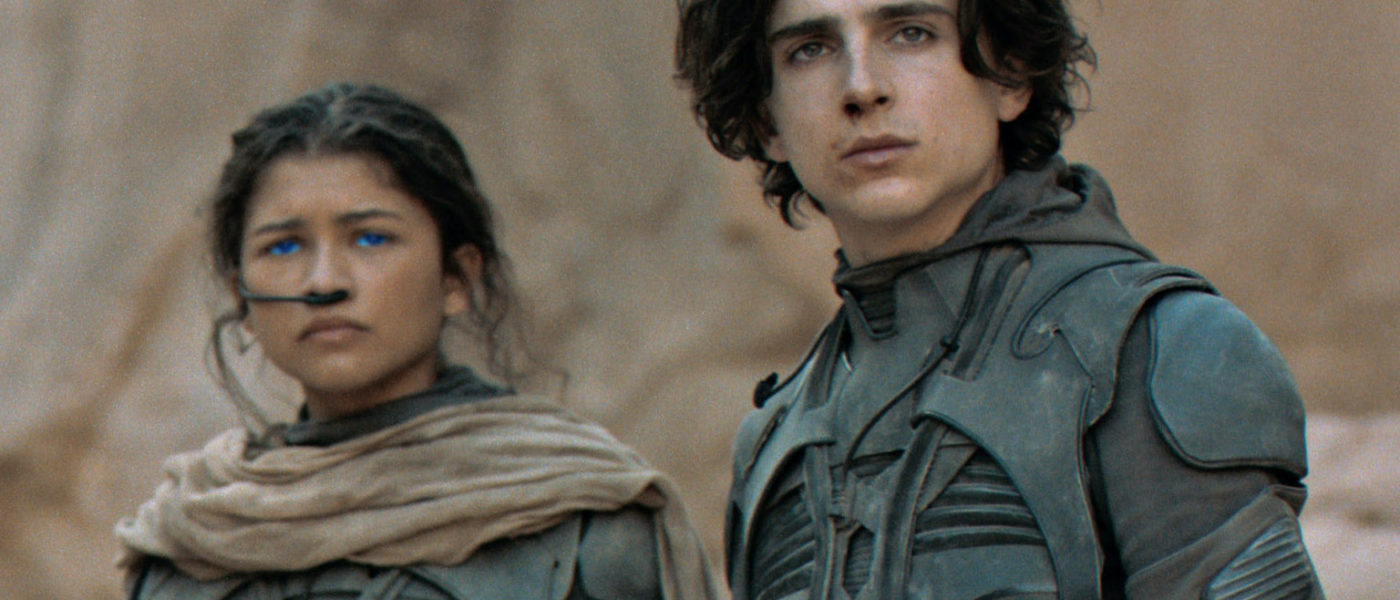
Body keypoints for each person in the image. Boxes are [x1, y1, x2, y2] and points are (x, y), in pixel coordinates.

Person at [675, 0, 1324, 598]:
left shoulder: (1162, 351)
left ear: (1011, 75)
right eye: (810, 49)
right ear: (767, 121)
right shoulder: (774, 444)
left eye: (911, 33)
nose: (862, 87)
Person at [115, 83, 721, 600]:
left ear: (456, 278)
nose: (324, 282)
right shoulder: (193, 545)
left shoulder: (585, 523)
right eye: (284, 246)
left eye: (370, 238)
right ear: (241, 297)